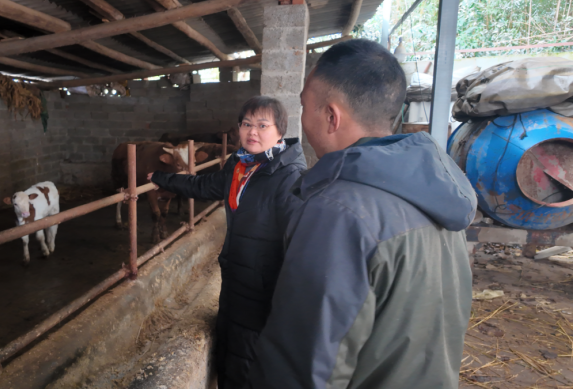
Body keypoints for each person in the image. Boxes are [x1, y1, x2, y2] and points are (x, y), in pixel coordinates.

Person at [247, 39, 477, 388]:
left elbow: (303, 368)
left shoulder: (337, 213)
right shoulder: (441, 197)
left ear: (331, 116)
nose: (302, 119)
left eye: (304, 106)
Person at [148, 96, 307, 389]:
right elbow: (205, 185)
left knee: (247, 363)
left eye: (262, 125)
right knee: (229, 353)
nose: (252, 132)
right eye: (246, 124)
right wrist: (164, 179)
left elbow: (298, 244)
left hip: (263, 289)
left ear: (280, 131)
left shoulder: (289, 176)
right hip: (235, 277)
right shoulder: (241, 164)